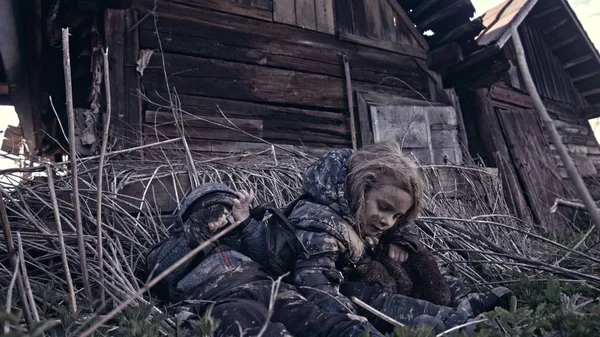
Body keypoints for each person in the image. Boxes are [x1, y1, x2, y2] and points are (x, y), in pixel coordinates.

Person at [283, 141, 511, 333]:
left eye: (396, 216)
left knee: (418, 267)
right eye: (383, 208)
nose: (387, 221)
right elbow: (314, 280)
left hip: (364, 270)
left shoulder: (363, 211)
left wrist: (401, 238)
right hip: (346, 290)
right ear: (361, 188)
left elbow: (403, 222)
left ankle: (466, 301)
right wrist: (343, 316)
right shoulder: (321, 222)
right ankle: (451, 321)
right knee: (371, 297)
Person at [144, 183, 384, 337]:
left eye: (227, 211)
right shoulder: (171, 247)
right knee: (248, 326)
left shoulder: (238, 238)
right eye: (214, 211)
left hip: (272, 291)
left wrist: (246, 224)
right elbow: (158, 274)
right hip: (223, 300)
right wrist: (195, 234)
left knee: (316, 321)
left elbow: (273, 259)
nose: (221, 219)